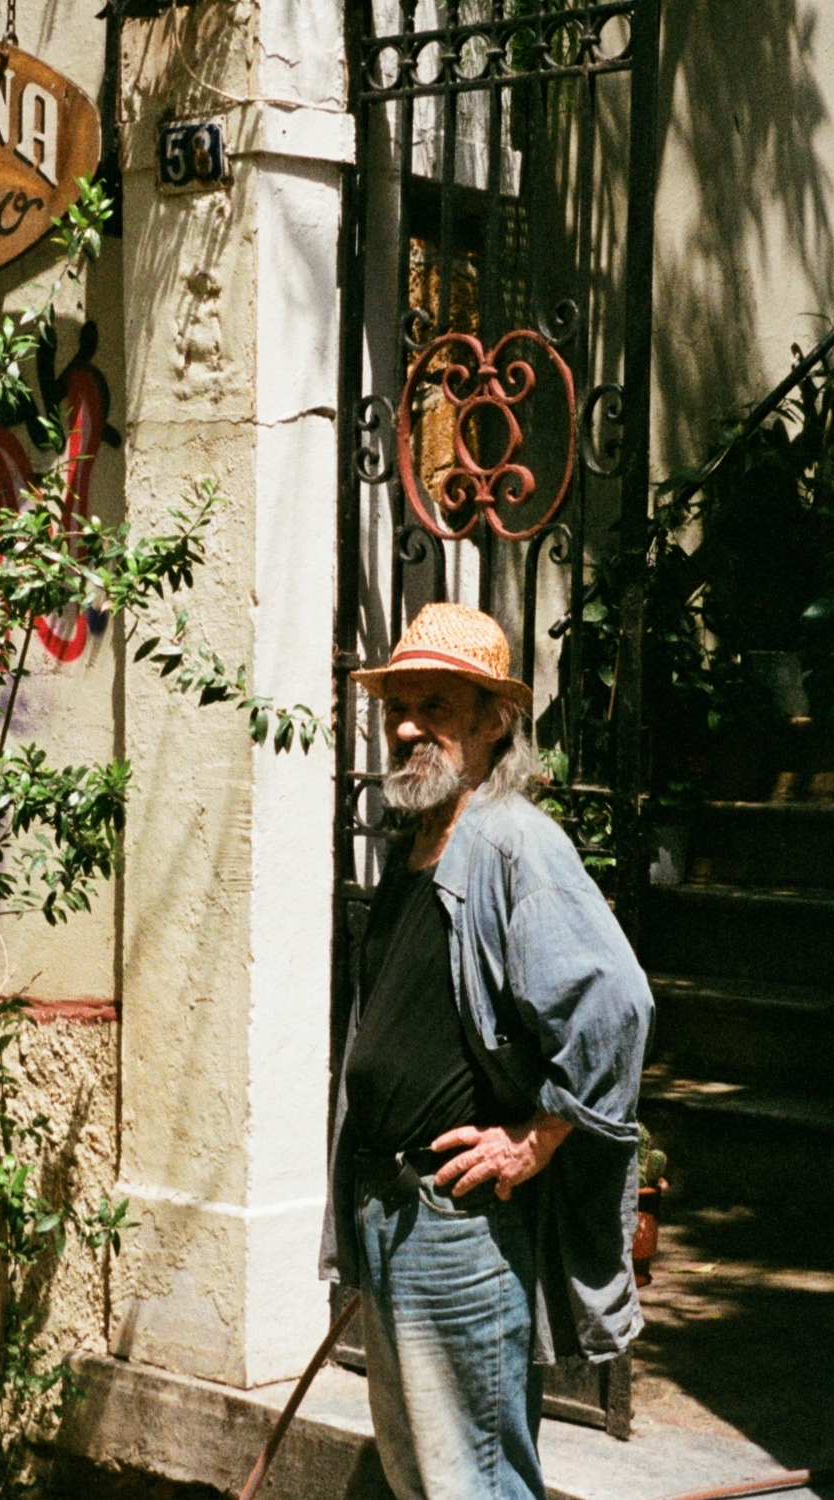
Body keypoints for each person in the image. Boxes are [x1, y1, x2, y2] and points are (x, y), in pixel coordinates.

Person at [321, 602, 654, 1500]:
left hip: (459, 1229)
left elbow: (615, 1003)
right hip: (390, 1212)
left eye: (433, 705)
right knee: (421, 1473)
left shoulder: (514, 843)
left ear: (491, 721)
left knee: (476, 1480)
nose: (404, 725)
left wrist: (538, 1136)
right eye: (398, 704)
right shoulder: (419, 843)